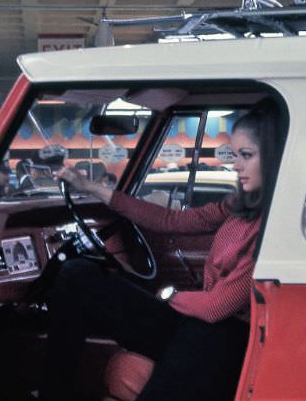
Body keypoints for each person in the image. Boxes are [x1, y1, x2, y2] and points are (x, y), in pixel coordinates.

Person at [43, 103, 280, 401]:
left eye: (246, 156)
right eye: (236, 156)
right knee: (78, 276)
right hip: (199, 326)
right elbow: (171, 221)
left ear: (273, 158)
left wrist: (167, 295)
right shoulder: (241, 208)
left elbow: (216, 307)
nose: (236, 165)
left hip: (226, 339)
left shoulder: (273, 226)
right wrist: (91, 188)